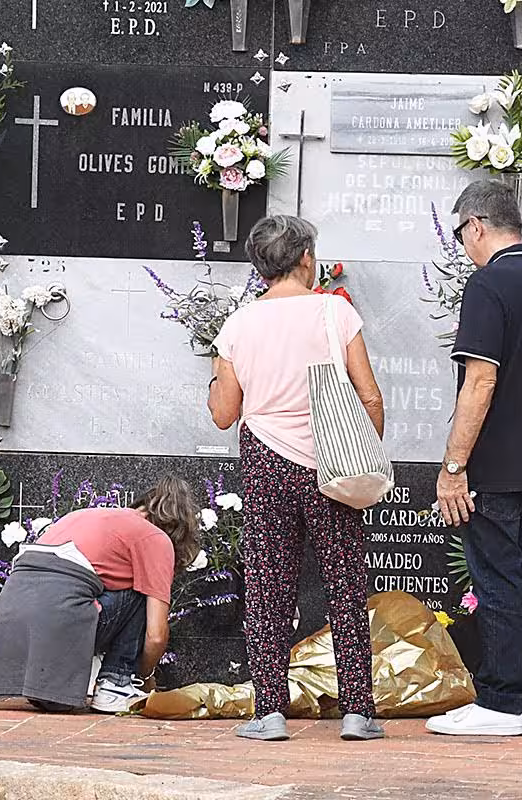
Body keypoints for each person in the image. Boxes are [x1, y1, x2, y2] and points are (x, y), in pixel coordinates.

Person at [208, 215, 387, 742]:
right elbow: (369, 395)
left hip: (266, 462)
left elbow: (224, 413)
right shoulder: (336, 311)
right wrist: (361, 449)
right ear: (306, 257)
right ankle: (358, 712)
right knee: (346, 586)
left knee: (269, 587)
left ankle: (269, 712)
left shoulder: (238, 325)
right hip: (332, 464)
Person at [425, 180, 522, 737]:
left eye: (462, 233)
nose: (463, 244)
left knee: (496, 580)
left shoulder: (488, 284)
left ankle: (500, 701)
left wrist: (454, 466)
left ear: (477, 225)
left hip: (495, 462)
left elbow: (480, 380)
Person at [0, 477, 200, 714]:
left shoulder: (85, 515)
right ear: (179, 527)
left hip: (11, 617)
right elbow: (156, 635)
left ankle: (48, 689)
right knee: (141, 595)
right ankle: (115, 686)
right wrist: (144, 677)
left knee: (58, 703)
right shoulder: (155, 538)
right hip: (57, 615)